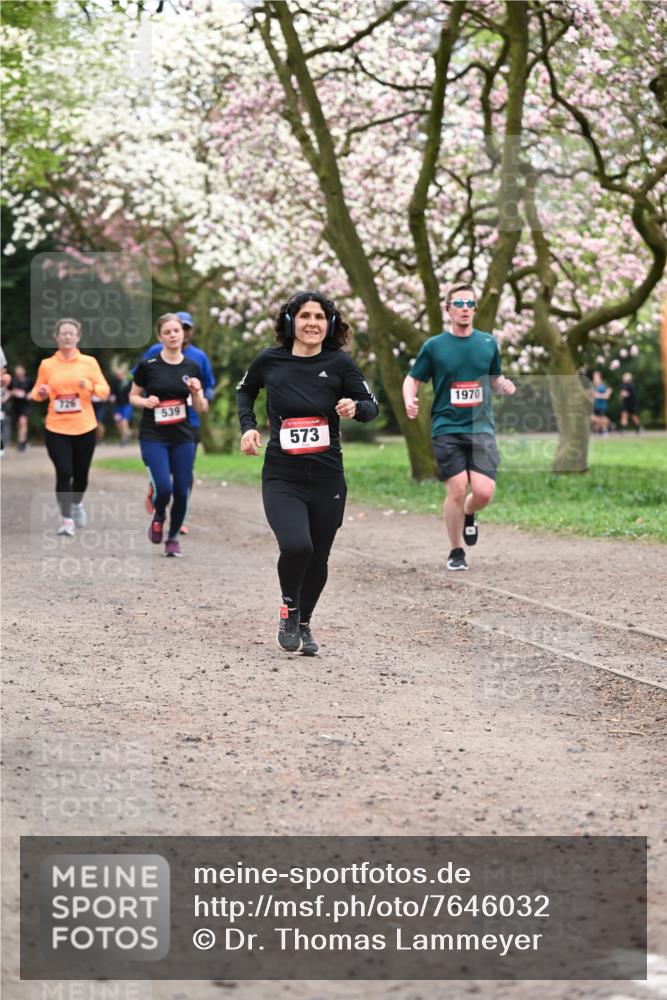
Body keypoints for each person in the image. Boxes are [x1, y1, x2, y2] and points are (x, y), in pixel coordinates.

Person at [237, 290, 378, 654]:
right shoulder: (270, 360)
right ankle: (289, 606)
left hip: (328, 477)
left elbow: (371, 406)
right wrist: (248, 426)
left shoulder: (340, 364)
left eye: (319, 317)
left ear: (329, 324)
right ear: (291, 322)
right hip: (282, 475)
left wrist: (354, 407)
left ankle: (304, 623)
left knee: (319, 556)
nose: (312, 323)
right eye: (304, 316)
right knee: (297, 545)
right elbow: (245, 391)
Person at [402, 282, 515, 572]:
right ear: (448, 309)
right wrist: (409, 398)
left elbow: (493, 379)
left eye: (469, 304)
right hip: (446, 426)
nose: (464, 309)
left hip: (481, 428)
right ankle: (456, 550)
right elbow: (413, 378)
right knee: (456, 487)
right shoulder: (435, 346)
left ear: (475, 309)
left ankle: (468, 512)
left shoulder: (488, 343)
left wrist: (503, 385)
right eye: (459, 304)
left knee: (484, 492)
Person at [129, 313, 208, 557]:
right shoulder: (148, 365)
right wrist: (145, 401)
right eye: (168, 332)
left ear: (183, 334)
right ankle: (160, 513)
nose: (173, 335)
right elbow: (132, 396)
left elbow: (201, 407)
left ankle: (172, 538)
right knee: (163, 488)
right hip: (154, 435)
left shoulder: (192, 367)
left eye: (177, 331)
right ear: (160, 337)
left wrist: (195, 392)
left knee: (182, 490)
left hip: (182, 435)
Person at [30, 318, 110, 535]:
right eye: (63, 333)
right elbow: (35, 393)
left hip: (84, 426)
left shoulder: (89, 363)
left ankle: (76, 504)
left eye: (71, 333)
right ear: (57, 337)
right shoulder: (48, 365)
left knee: (81, 475)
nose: (67, 336)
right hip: (56, 428)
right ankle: (66, 520)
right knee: (64, 472)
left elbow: (104, 390)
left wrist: (90, 386)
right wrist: (42, 392)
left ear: (78, 337)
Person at [10, 363, 33, 451]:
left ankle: (22, 443)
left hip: (25, 404)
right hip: (16, 405)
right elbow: (9, 391)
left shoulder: (29, 381)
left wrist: (29, 395)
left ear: (24, 371)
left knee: (22, 422)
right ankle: (24, 440)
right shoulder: (13, 381)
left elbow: (34, 391)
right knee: (19, 424)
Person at [109, 362, 133, 444]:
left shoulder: (129, 383)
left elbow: (133, 392)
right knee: (117, 422)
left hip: (126, 404)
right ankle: (126, 434)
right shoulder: (114, 382)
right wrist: (111, 396)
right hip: (117, 405)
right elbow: (111, 391)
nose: (118, 376)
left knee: (124, 421)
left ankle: (124, 438)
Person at [591, 370, 611, 434]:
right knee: (594, 419)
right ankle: (600, 430)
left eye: (596, 377)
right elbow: (593, 397)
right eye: (594, 377)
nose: (594, 379)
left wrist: (598, 395)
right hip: (596, 406)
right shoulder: (594, 387)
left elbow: (607, 396)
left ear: (599, 378)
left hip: (602, 406)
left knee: (602, 419)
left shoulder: (603, 386)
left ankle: (605, 429)